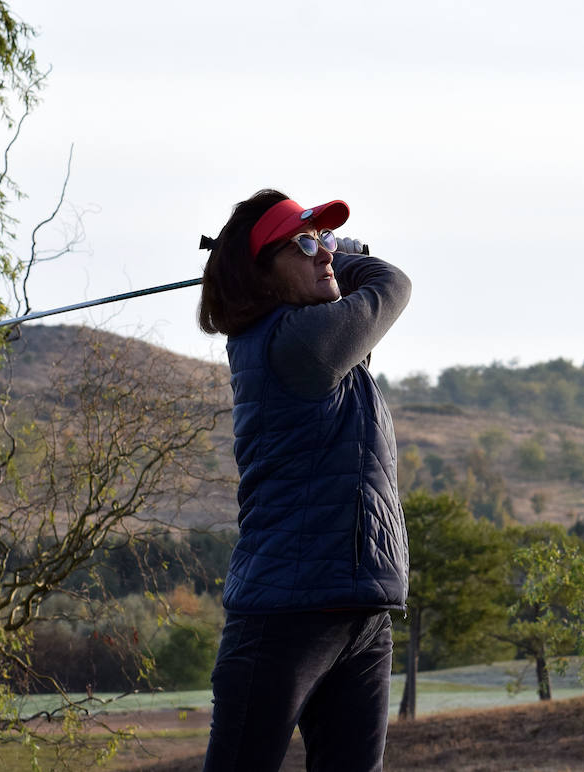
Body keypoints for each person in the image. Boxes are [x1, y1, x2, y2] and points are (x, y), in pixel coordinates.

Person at [197, 189, 412, 772]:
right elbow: (392, 286)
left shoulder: (317, 340)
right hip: (284, 613)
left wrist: (330, 260)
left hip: (359, 612)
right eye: (306, 242)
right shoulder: (296, 344)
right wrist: (349, 257)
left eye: (326, 239)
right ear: (263, 276)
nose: (323, 253)